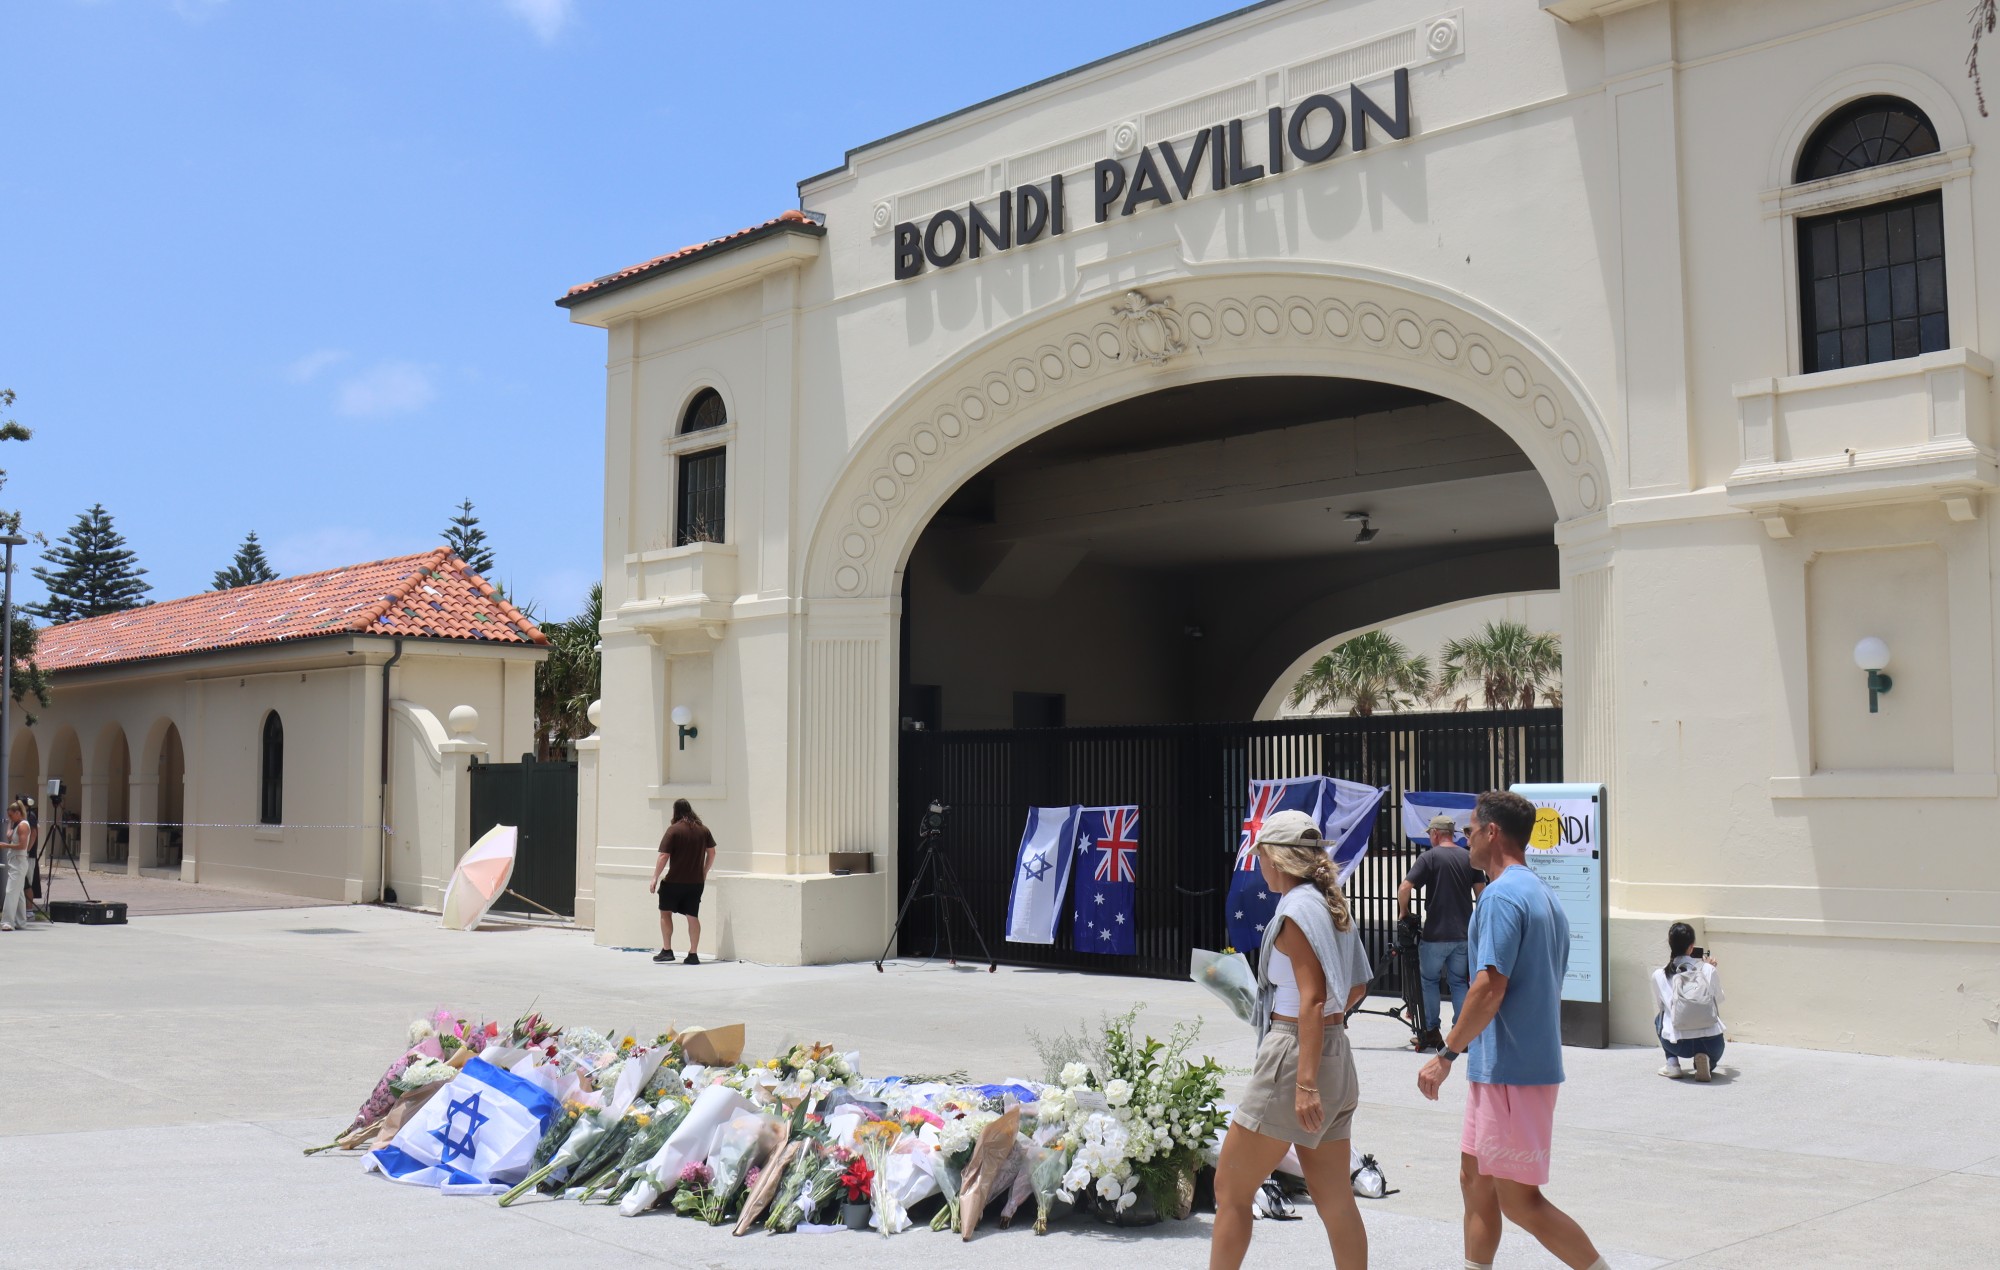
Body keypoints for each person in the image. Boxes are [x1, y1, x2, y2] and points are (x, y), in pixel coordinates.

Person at [1417, 790, 1609, 1270]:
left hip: (1511, 1071)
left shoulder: (1502, 895)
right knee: (1475, 1179)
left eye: (1470, 831)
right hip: (1507, 1069)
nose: (1467, 840)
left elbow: (1488, 987)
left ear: (1491, 832)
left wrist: (1446, 1055)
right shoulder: (1541, 892)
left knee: (1521, 1201)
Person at [1210, 810, 1373, 1270]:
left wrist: (1303, 1081)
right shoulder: (1328, 902)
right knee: (1335, 1198)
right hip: (1336, 1052)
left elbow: (1314, 999)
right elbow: (1355, 987)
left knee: (1230, 1189)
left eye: (1260, 854)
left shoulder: (1295, 912)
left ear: (1275, 859)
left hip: (1294, 1057)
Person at [1397, 812, 1486, 1052]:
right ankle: (1461, 1034)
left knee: (1429, 981)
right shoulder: (1468, 857)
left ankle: (1431, 1032)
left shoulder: (1429, 857)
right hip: (1463, 935)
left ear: (1435, 834)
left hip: (1435, 934)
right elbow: (1482, 892)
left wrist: (1403, 912)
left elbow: (1405, 887)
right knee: (1459, 982)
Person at [1652, 921, 1726, 1082]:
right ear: (1692, 947)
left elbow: (1663, 1007)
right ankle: (1707, 1062)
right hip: (1711, 1043)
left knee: (1659, 1018)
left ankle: (1672, 1064)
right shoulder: (1707, 969)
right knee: (1711, 1051)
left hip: (1678, 1044)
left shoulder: (1659, 974)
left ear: (1670, 945)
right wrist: (1711, 970)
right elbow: (1718, 1000)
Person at [648, 799, 715, 964]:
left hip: (674, 882)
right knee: (692, 916)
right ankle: (693, 954)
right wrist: (704, 872)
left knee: (665, 913)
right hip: (696, 883)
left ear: (675, 812)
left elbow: (664, 855)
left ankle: (667, 950)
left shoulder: (674, 830)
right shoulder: (703, 830)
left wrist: (655, 877)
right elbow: (712, 853)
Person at [1, 800, 31, 931]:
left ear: (18, 813)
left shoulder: (23, 826)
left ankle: (8, 922)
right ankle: (20, 921)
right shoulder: (16, 824)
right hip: (14, 861)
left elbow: (22, 846)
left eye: (11, 815)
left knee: (11, 891)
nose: (10, 818)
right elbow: (9, 836)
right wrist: (10, 823)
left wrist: (5, 846)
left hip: (19, 861)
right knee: (18, 893)